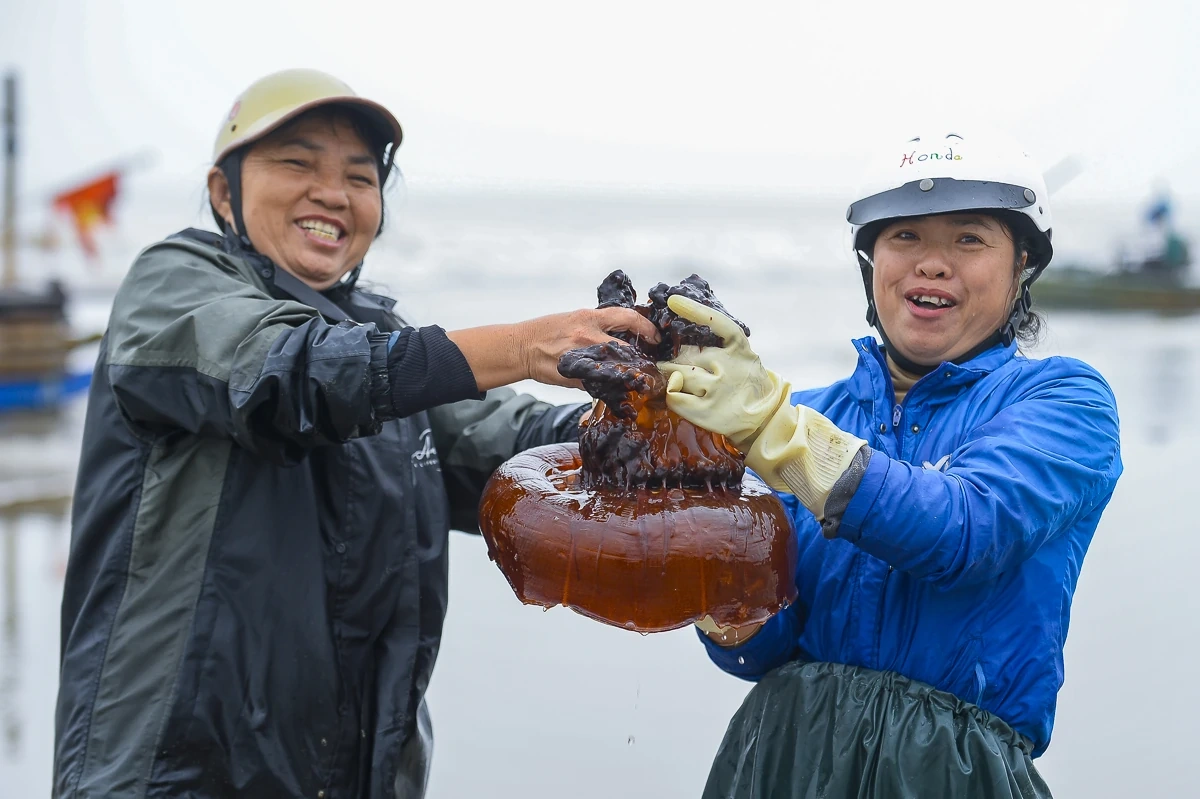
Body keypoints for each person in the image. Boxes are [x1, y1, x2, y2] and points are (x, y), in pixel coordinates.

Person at [52, 69, 658, 799]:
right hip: (173, 779)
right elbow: (295, 376)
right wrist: (525, 346)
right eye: (297, 163)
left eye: (360, 177)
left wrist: (662, 414)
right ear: (223, 191)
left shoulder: (385, 345)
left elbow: (521, 442)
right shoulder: (172, 285)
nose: (333, 192)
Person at [659, 130, 1122, 798]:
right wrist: (712, 567)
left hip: (955, 772)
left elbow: (965, 529)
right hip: (782, 754)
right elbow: (760, 649)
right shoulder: (811, 415)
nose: (931, 264)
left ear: (1022, 263)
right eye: (904, 236)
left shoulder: (1064, 402)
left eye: (969, 239)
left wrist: (772, 431)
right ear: (869, 260)